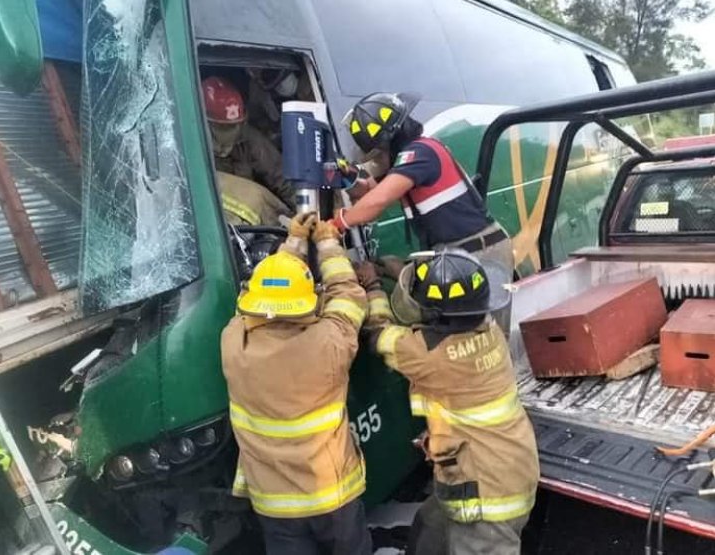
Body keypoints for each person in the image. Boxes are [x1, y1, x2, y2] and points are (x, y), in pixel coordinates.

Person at [356, 249, 539, 555]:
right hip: (510, 466)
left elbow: (378, 334)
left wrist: (374, 286)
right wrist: (401, 270)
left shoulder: (428, 355)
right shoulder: (487, 327)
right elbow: (451, 304)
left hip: (486, 499)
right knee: (430, 529)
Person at [220, 212, 372, 555]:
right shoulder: (329, 344)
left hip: (274, 506)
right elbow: (348, 294)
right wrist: (328, 242)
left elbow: (263, 296)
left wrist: (292, 243)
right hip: (334, 498)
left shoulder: (233, 343)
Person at [333, 92, 514, 333]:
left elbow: (379, 200)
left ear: (391, 141)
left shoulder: (420, 153)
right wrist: (348, 178)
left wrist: (337, 223)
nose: (378, 156)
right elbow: (371, 193)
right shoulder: (411, 160)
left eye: (379, 150)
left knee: (485, 340)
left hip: (480, 254)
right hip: (458, 256)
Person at [201, 77, 295, 210]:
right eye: (223, 128)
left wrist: (306, 215)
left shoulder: (248, 139)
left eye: (235, 126)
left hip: (246, 225)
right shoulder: (190, 145)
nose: (231, 132)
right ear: (204, 122)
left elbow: (281, 177)